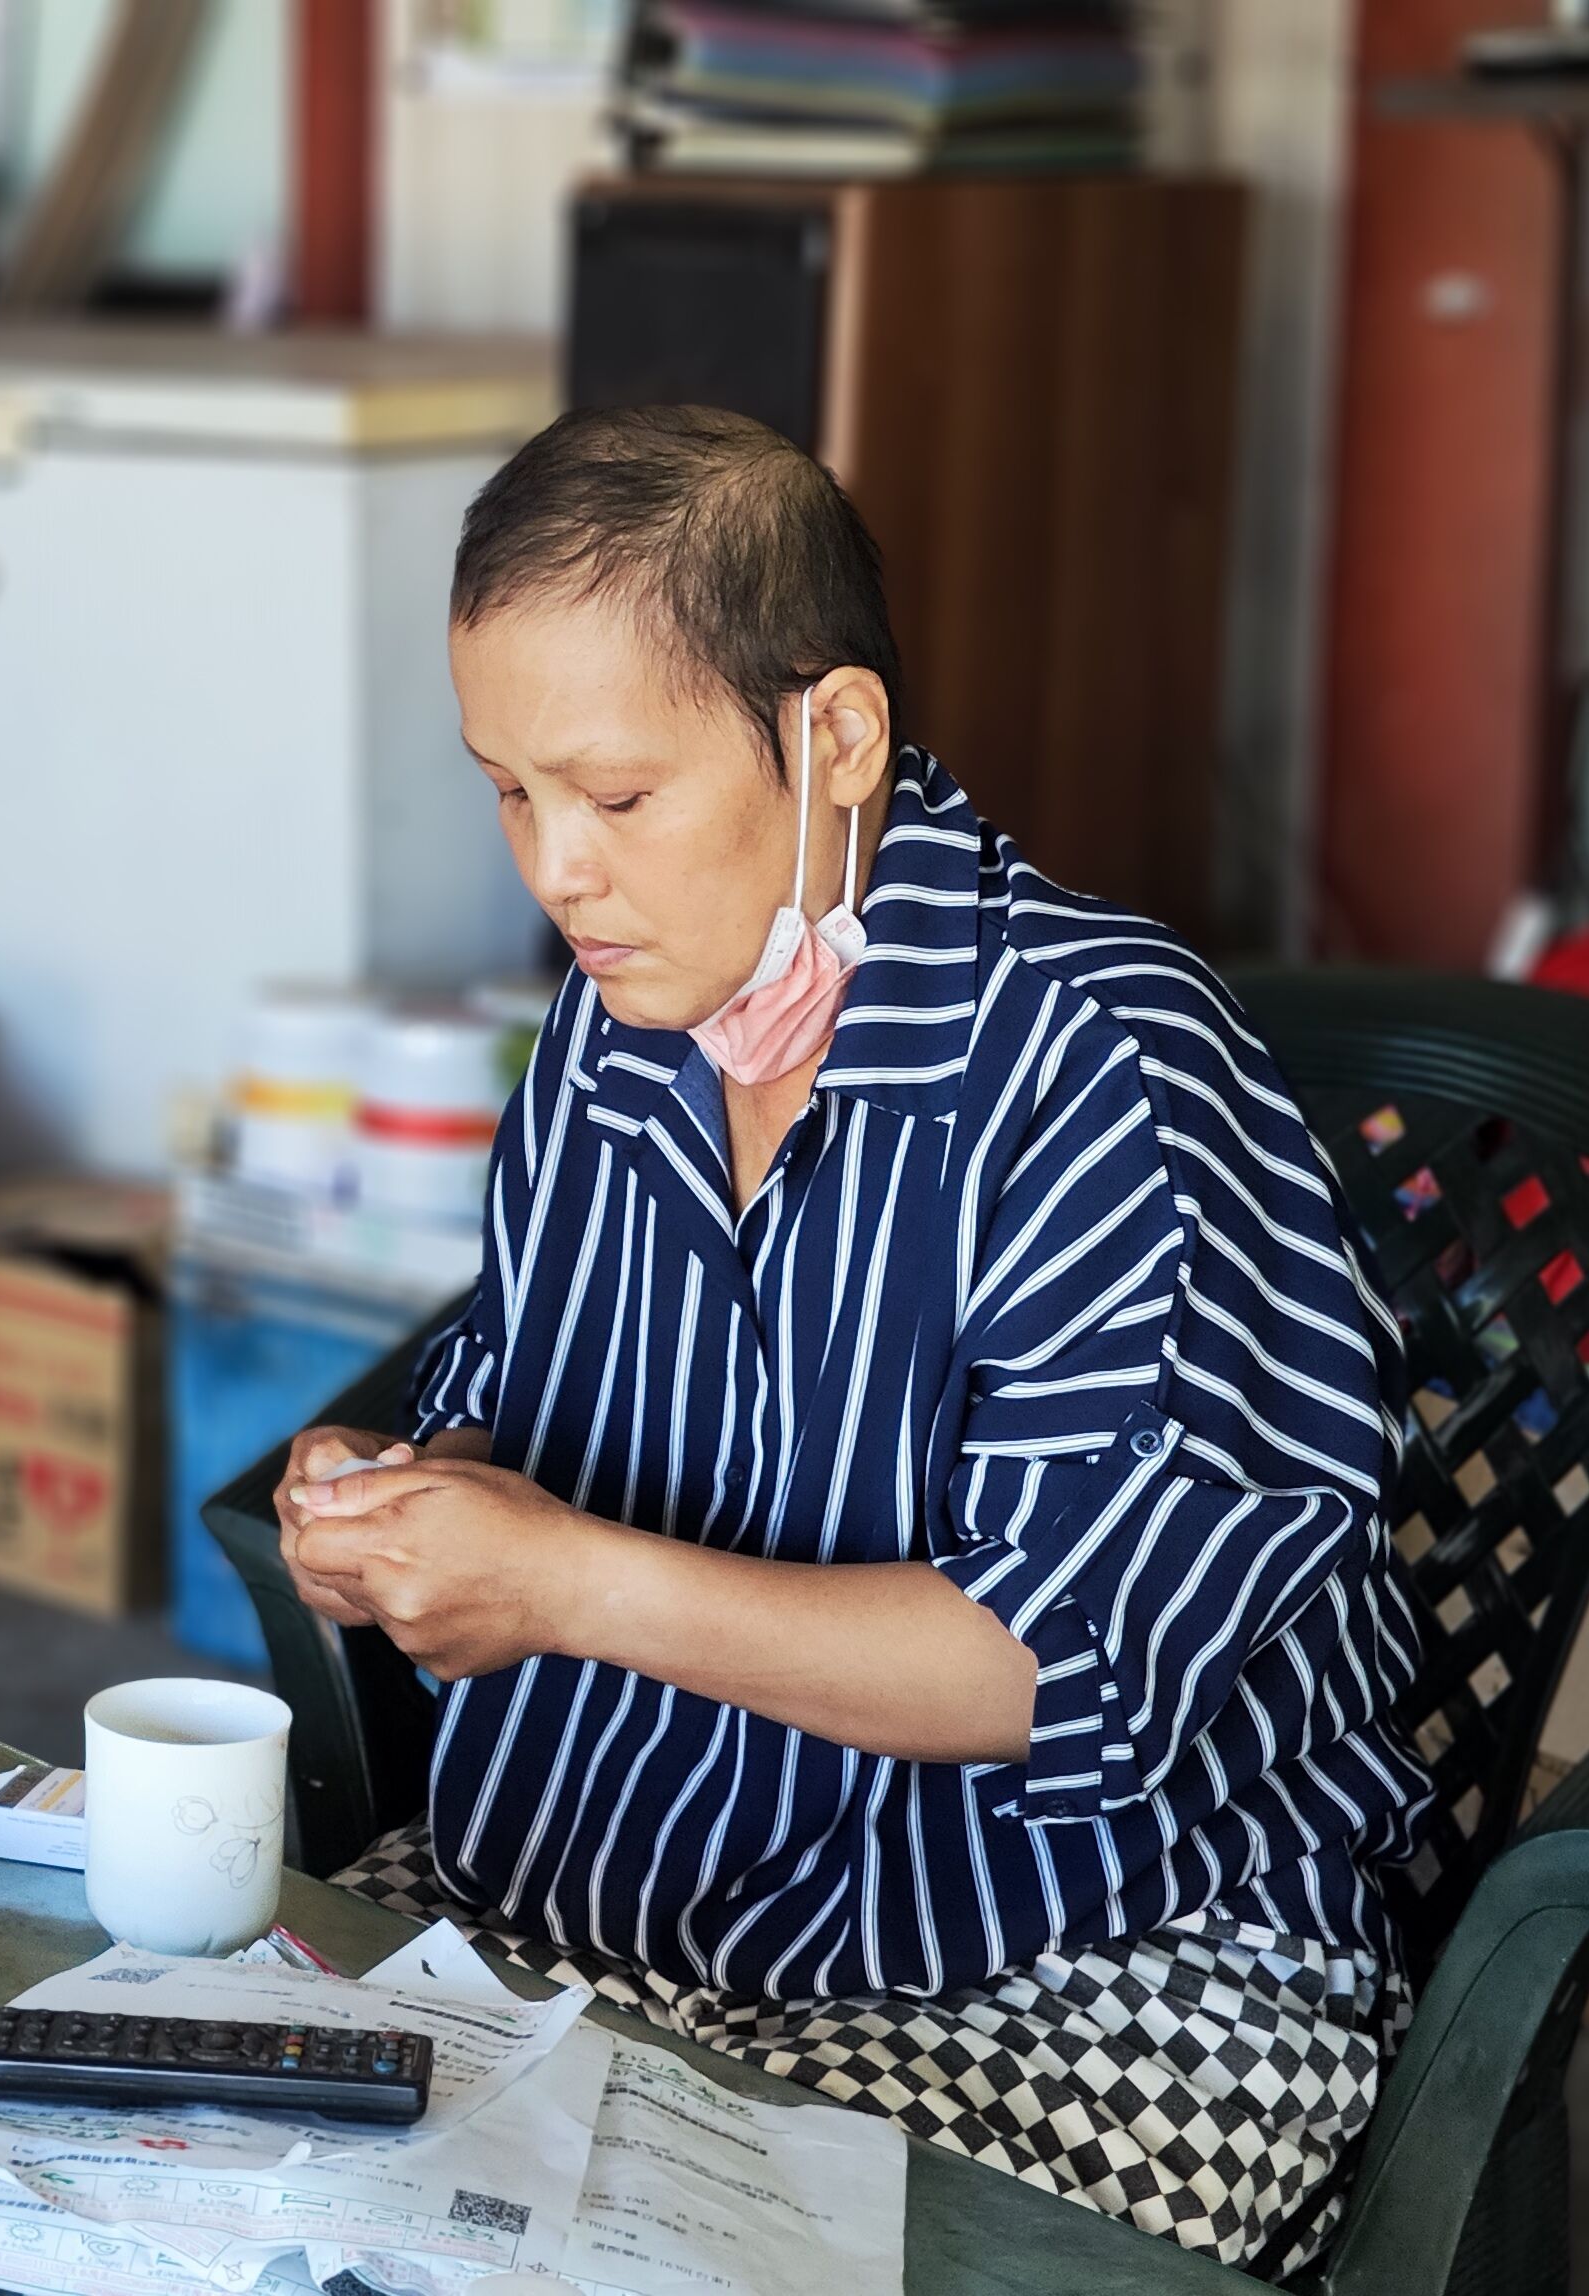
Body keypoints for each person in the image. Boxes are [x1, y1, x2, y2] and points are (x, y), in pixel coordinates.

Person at [277, 407, 1429, 2271]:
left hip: (1067, 1962)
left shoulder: (1101, 1071)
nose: (555, 871)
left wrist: (559, 1586)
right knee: (195, 2163)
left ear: (836, 737)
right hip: (610, 1904)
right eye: (511, 792)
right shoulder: (619, 1026)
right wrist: (416, 1508)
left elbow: (1050, 1672)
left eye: (617, 796)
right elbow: (515, 1417)